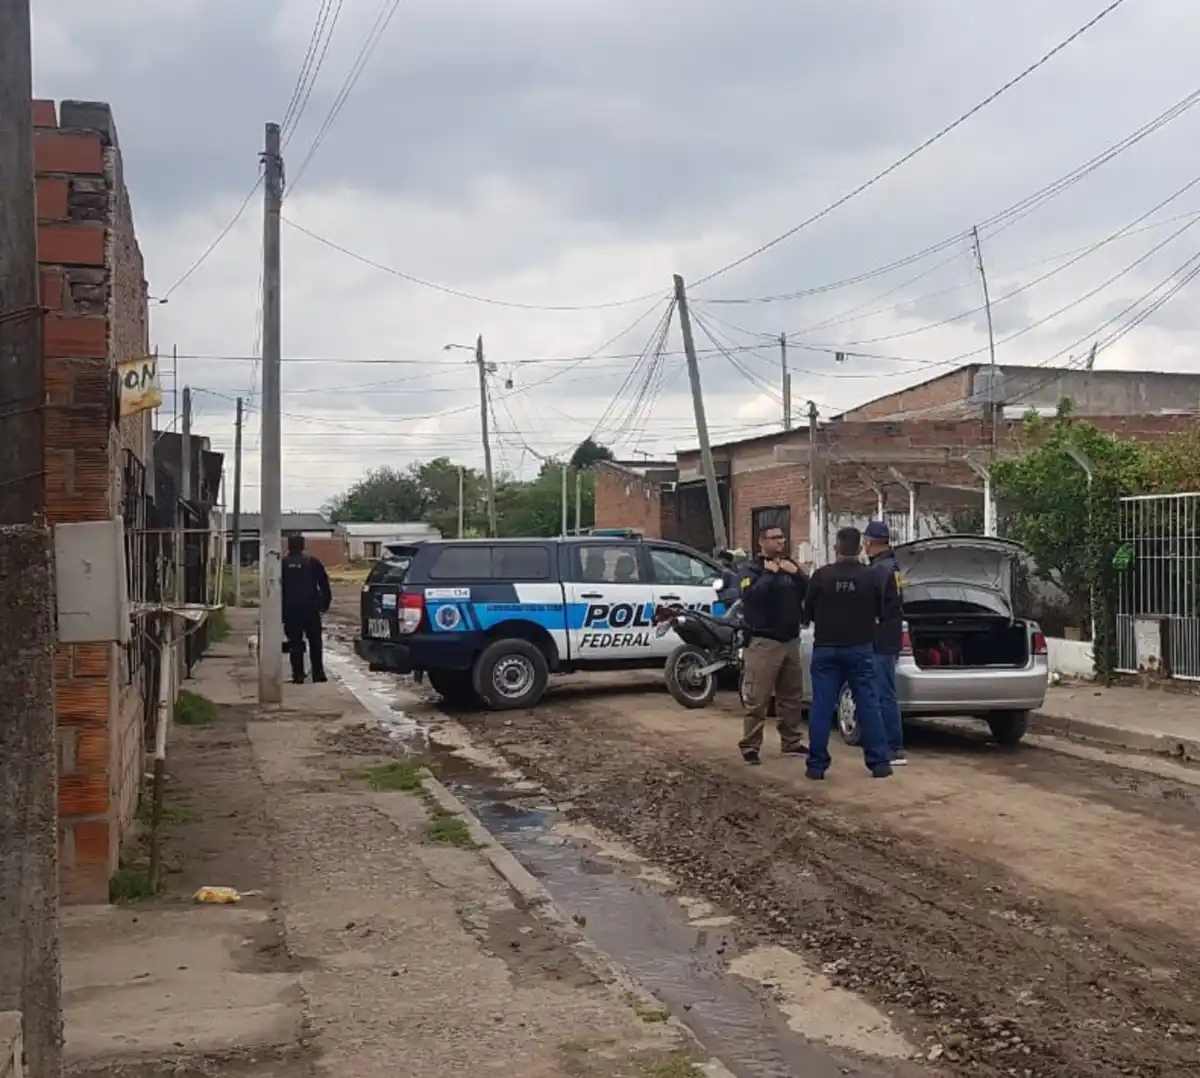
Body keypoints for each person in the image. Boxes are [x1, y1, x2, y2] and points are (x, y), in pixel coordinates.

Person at [802, 525, 893, 779]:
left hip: (826, 649)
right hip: (860, 648)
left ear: (836, 548)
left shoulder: (821, 576)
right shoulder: (872, 577)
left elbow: (806, 613)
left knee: (821, 706)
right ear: (859, 547)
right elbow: (881, 613)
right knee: (868, 704)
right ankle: (879, 763)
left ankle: (816, 766)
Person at [737, 525, 809, 765]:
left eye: (782, 537)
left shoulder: (790, 566)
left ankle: (791, 741)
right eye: (775, 538)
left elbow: (810, 591)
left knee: (791, 696)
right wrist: (769, 575)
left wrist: (797, 574)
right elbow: (749, 598)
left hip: (790, 639)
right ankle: (750, 745)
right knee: (758, 697)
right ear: (761, 541)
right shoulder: (751, 569)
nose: (781, 541)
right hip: (763, 641)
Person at [864, 520, 906, 765]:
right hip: (889, 636)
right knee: (885, 691)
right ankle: (889, 743)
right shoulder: (894, 565)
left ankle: (893, 747)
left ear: (869, 543)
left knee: (884, 693)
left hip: (880, 638)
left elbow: (874, 604)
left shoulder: (880, 570)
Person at [281, 534, 332, 684]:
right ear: (303, 546)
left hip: (290, 609)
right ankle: (318, 673)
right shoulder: (312, 562)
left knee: (295, 642)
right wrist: (324, 604)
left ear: (289, 546)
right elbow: (324, 584)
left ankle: (298, 675)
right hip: (310, 609)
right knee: (315, 641)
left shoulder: (282, 564)